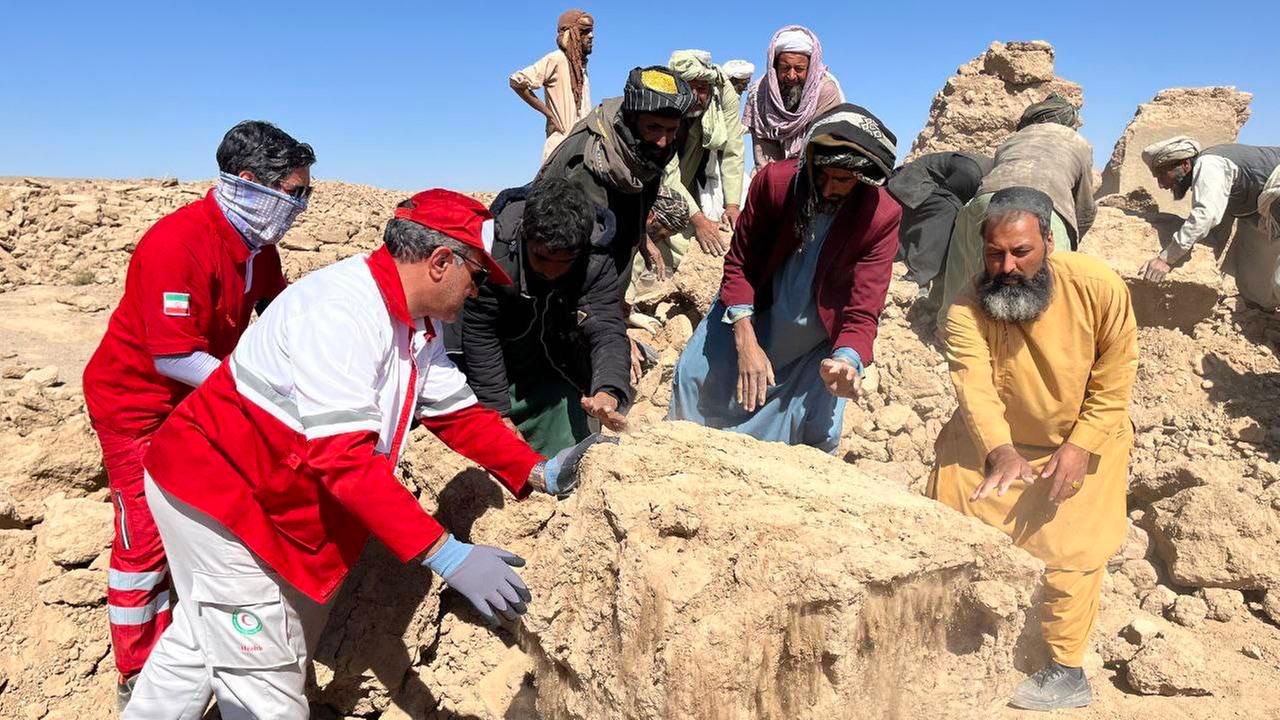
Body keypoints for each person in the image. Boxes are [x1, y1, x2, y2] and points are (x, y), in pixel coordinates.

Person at [122, 190, 609, 719]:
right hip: (220, 497)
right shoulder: (343, 312)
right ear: (441, 262)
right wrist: (446, 554)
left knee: (199, 639)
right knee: (264, 682)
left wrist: (536, 470)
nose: (480, 290)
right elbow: (344, 462)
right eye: (478, 275)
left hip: (257, 488)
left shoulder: (414, 321)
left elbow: (457, 414)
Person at [80, 120, 313, 711]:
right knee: (145, 538)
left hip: (195, 403)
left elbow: (278, 312)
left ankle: (201, 621)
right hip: (137, 406)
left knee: (212, 508)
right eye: (293, 192)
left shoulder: (255, 247)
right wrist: (257, 387)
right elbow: (173, 354)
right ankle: (139, 667)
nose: (299, 206)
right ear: (248, 184)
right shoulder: (177, 242)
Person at [929, 186, 1137, 711]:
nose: (1008, 266)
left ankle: (1065, 669)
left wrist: (1081, 446)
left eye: (1021, 251)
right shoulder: (966, 307)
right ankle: (957, 632)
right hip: (994, 440)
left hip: (1085, 437)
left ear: (1047, 240)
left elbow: (1115, 377)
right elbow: (972, 384)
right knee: (950, 517)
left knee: (1071, 553)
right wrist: (998, 449)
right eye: (996, 253)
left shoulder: (1097, 287)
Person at [669, 104, 900, 452]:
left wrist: (846, 360)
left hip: (813, 338)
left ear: (864, 181)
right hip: (751, 309)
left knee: (817, 430)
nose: (827, 189)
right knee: (694, 379)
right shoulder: (776, 183)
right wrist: (745, 340)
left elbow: (863, 306)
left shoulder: (880, 215)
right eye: (821, 174)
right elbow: (741, 264)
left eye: (843, 180)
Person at [462, 178, 632, 455]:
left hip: (552, 362)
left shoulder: (596, 257)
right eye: (541, 259)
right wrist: (497, 413)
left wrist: (607, 389)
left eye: (565, 262)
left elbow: (606, 328)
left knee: (570, 446)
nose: (552, 272)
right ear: (525, 237)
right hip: (492, 364)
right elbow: (481, 331)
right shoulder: (495, 251)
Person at [936, 94, 1095, 328]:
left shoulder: (1012, 139)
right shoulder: (1077, 141)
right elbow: (1084, 207)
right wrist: (1069, 237)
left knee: (965, 278)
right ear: (1068, 121)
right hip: (1043, 207)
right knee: (1049, 290)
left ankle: (948, 329)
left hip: (982, 201)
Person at [539, 65, 694, 280]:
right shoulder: (591, 162)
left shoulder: (645, 152)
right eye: (654, 128)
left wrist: (641, 236)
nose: (663, 141)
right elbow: (584, 252)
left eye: (671, 130)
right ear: (631, 121)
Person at [1138, 136, 1280, 309]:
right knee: (1252, 283)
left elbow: (1206, 216)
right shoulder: (1214, 174)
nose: (1161, 185)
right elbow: (1218, 228)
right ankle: (1261, 315)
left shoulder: (1209, 165)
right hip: (1263, 210)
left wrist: (1166, 258)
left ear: (1184, 165)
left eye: (1162, 175)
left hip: (1275, 197)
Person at [646, 48, 745, 287]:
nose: (696, 96)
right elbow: (668, 172)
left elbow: (733, 150)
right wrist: (700, 221)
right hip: (654, 170)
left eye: (702, 89)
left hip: (693, 157)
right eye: (689, 87)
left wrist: (732, 205)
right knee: (660, 218)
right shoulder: (663, 97)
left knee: (692, 225)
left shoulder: (723, 92)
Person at [886, 151, 993, 299]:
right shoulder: (924, 172)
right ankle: (924, 275)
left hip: (967, 172)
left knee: (943, 210)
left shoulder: (906, 176)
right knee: (946, 211)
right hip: (976, 173)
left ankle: (920, 276)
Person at [742, 25, 844, 170]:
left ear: (811, 68)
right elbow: (763, 153)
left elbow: (822, 146)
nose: (791, 76)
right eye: (784, 68)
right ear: (774, 67)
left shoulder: (825, 90)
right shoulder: (760, 92)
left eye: (799, 69)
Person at [509, 9, 595, 161]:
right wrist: (549, 113)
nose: (591, 36)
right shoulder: (556, 59)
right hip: (560, 152)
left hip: (582, 152)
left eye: (591, 31)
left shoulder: (581, 68)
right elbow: (516, 81)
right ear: (572, 33)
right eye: (585, 31)